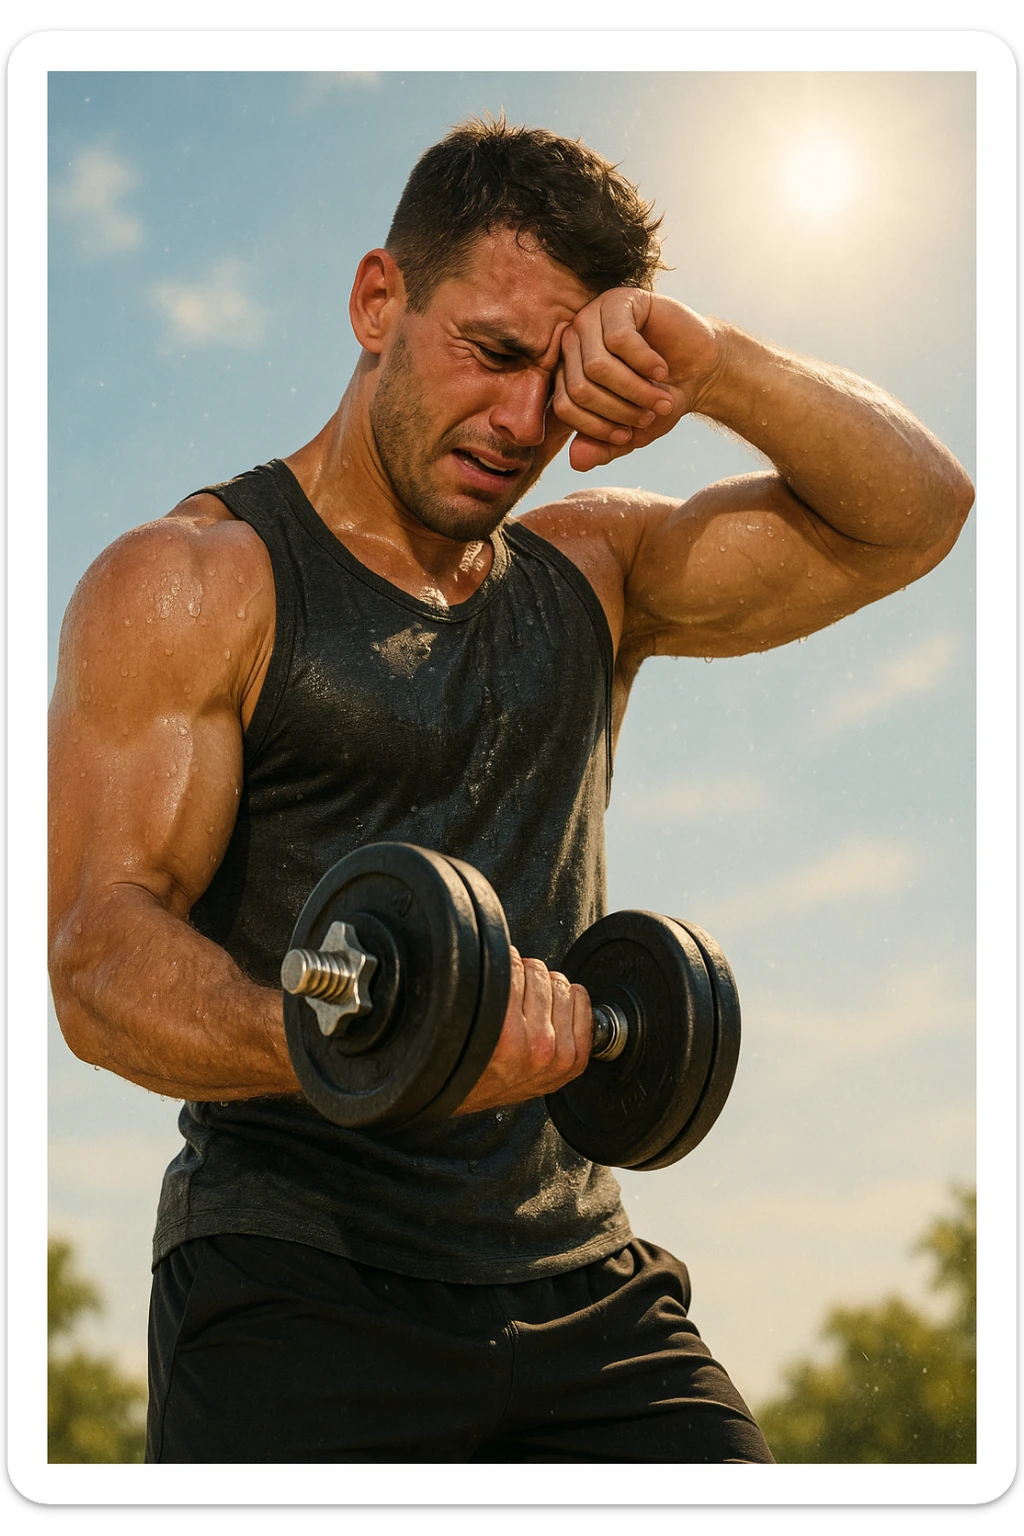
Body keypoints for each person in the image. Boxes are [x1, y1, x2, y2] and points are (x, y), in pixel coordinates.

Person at [48, 118, 973, 1465]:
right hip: (296, 1284)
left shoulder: (591, 573)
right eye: (489, 351)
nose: (525, 421)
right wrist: (368, 1039)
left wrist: (712, 367)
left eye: (564, 378)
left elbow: (919, 512)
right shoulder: (197, 583)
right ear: (379, 302)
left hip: (584, 1285)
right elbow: (99, 957)